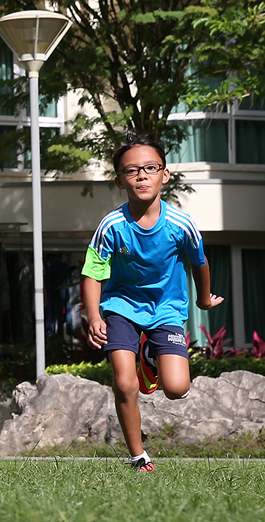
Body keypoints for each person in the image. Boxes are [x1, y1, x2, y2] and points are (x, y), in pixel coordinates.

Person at [81, 133, 223, 472]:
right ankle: (138, 455)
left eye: (150, 168)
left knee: (176, 388)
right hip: (121, 307)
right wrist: (94, 316)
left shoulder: (181, 224)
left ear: (165, 174)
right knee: (125, 382)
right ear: (120, 181)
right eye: (131, 170)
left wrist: (203, 299)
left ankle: (150, 357)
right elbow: (92, 273)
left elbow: (199, 262)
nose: (141, 176)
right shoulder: (112, 226)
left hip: (166, 310)